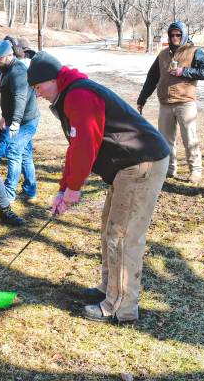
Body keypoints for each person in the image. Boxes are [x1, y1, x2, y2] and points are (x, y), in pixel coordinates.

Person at [28, 51, 170, 323]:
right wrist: (63, 188)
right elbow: (75, 146)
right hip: (127, 166)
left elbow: (86, 145)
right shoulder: (69, 95)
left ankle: (120, 306)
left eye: (38, 87)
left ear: (53, 79)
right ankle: (109, 289)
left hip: (142, 163)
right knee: (109, 227)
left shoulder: (79, 95)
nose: (39, 94)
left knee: (123, 235)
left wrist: (75, 189)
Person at [137, 21, 204, 183]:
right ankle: (170, 169)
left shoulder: (194, 51)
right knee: (165, 140)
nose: (175, 37)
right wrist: (142, 98)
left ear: (184, 35)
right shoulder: (163, 54)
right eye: (172, 35)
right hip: (165, 103)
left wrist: (184, 71)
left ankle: (195, 170)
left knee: (189, 138)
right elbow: (152, 78)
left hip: (185, 102)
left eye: (178, 34)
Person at [0, 40, 39, 204]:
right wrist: (5, 116)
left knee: (13, 152)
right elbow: (8, 97)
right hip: (17, 118)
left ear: (10, 55)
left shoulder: (18, 71)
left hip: (26, 120)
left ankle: (8, 193)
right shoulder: (7, 68)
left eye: (0, 59)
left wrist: (15, 122)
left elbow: (20, 98)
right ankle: (30, 191)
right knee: (25, 155)